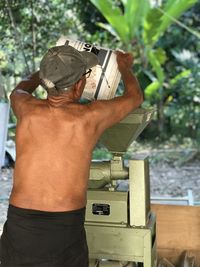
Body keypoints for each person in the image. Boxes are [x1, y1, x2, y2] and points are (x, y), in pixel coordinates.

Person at [0, 45, 143, 267]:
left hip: (20, 226)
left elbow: (18, 90)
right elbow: (135, 97)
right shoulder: (87, 118)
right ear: (78, 86)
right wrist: (124, 67)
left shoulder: (24, 107)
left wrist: (45, 73)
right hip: (63, 230)